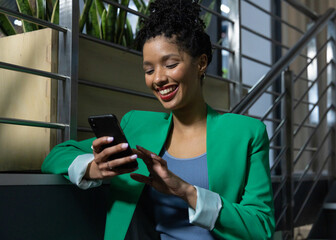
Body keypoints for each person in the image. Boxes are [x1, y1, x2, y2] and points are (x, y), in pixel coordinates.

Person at [42, 0, 275, 239]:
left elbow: (261, 226)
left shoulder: (246, 133)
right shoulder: (137, 125)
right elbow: (55, 157)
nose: (158, 79)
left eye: (170, 64)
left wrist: (187, 192)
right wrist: (93, 168)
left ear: (201, 63)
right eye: (149, 70)